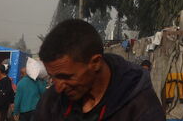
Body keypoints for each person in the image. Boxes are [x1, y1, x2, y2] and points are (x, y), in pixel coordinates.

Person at [34, 20, 163, 121]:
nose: (58, 88)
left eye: (67, 77)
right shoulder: (51, 102)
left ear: (95, 63)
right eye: (53, 77)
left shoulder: (141, 108)